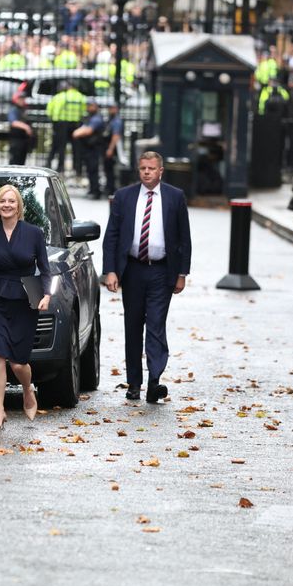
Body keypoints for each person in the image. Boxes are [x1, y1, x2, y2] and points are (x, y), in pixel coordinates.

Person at [102, 152, 192, 403]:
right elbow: (112, 235)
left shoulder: (175, 197)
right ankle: (134, 383)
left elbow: (184, 238)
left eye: (151, 168)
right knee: (132, 326)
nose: (147, 172)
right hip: (132, 270)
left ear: (160, 171)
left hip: (162, 271)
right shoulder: (124, 197)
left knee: (156, 324)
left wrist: (182, 273)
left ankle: (154, 380)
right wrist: (111, 270)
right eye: (143, 168)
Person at [0, 185, 51, 430]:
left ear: (18, 206)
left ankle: (27, 389)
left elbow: (45, 268)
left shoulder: (34, 233)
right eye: (2, 201)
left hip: (26, 297)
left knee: (18, 362)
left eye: (11, 201)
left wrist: (47, 295)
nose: (6, 205)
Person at [45, 81, 85, 174]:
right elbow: (83, 111)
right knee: (76, 148)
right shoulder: (81, 97)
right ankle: (77, 169)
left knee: (61, 147)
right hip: (76, 124)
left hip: (61, 123)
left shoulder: (60, 96)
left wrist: (54, 120)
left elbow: (50, 111)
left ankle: (60, 168)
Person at [72, 99, 106, 199]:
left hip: (94, 148)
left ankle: (95, 191)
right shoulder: (90, 117)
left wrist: (77, 133)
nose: (88, 107)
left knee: (93, 170)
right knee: (90, 170)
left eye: (90, 106)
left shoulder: (96, 118)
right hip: (88, 148)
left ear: (95, 106)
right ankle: (92, 189)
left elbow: (88, 130)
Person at [102, 102, 123, 198]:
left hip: (113, 150)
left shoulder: (116, 121)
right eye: (110, 108)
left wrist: (110, 149)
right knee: (107, 169)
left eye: (113, 108)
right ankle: (109, 188)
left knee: (111, 170)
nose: (111, 110)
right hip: (108, 148)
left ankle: (111, 190)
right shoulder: (111, 120)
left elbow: (116, 136)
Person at [7, 93, 33, 166]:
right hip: (16, 140)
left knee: (21, 162)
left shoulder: (23, 110)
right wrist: (26, 127)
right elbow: (13, 122)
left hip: (23, 140)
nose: (22, 100)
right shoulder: (13, 109)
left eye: (23, 99)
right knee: (14, 162)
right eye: (20, 99)